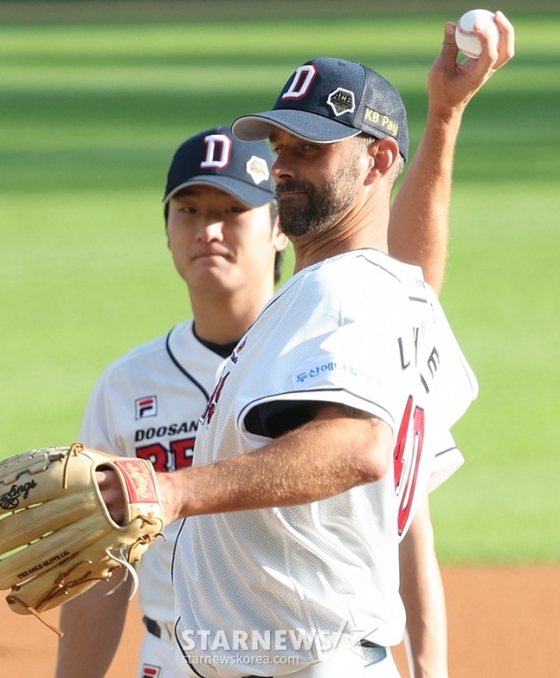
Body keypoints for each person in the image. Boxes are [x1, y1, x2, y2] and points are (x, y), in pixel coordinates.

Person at [57, 16, 514, 678]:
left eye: (310, 149)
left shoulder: (339, 293)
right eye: (280, 144)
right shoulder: (387, 294)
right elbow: (417, 273)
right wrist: (443, 117)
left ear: (378, 161)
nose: (282, 166)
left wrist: (176, 490)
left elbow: (356, 447)